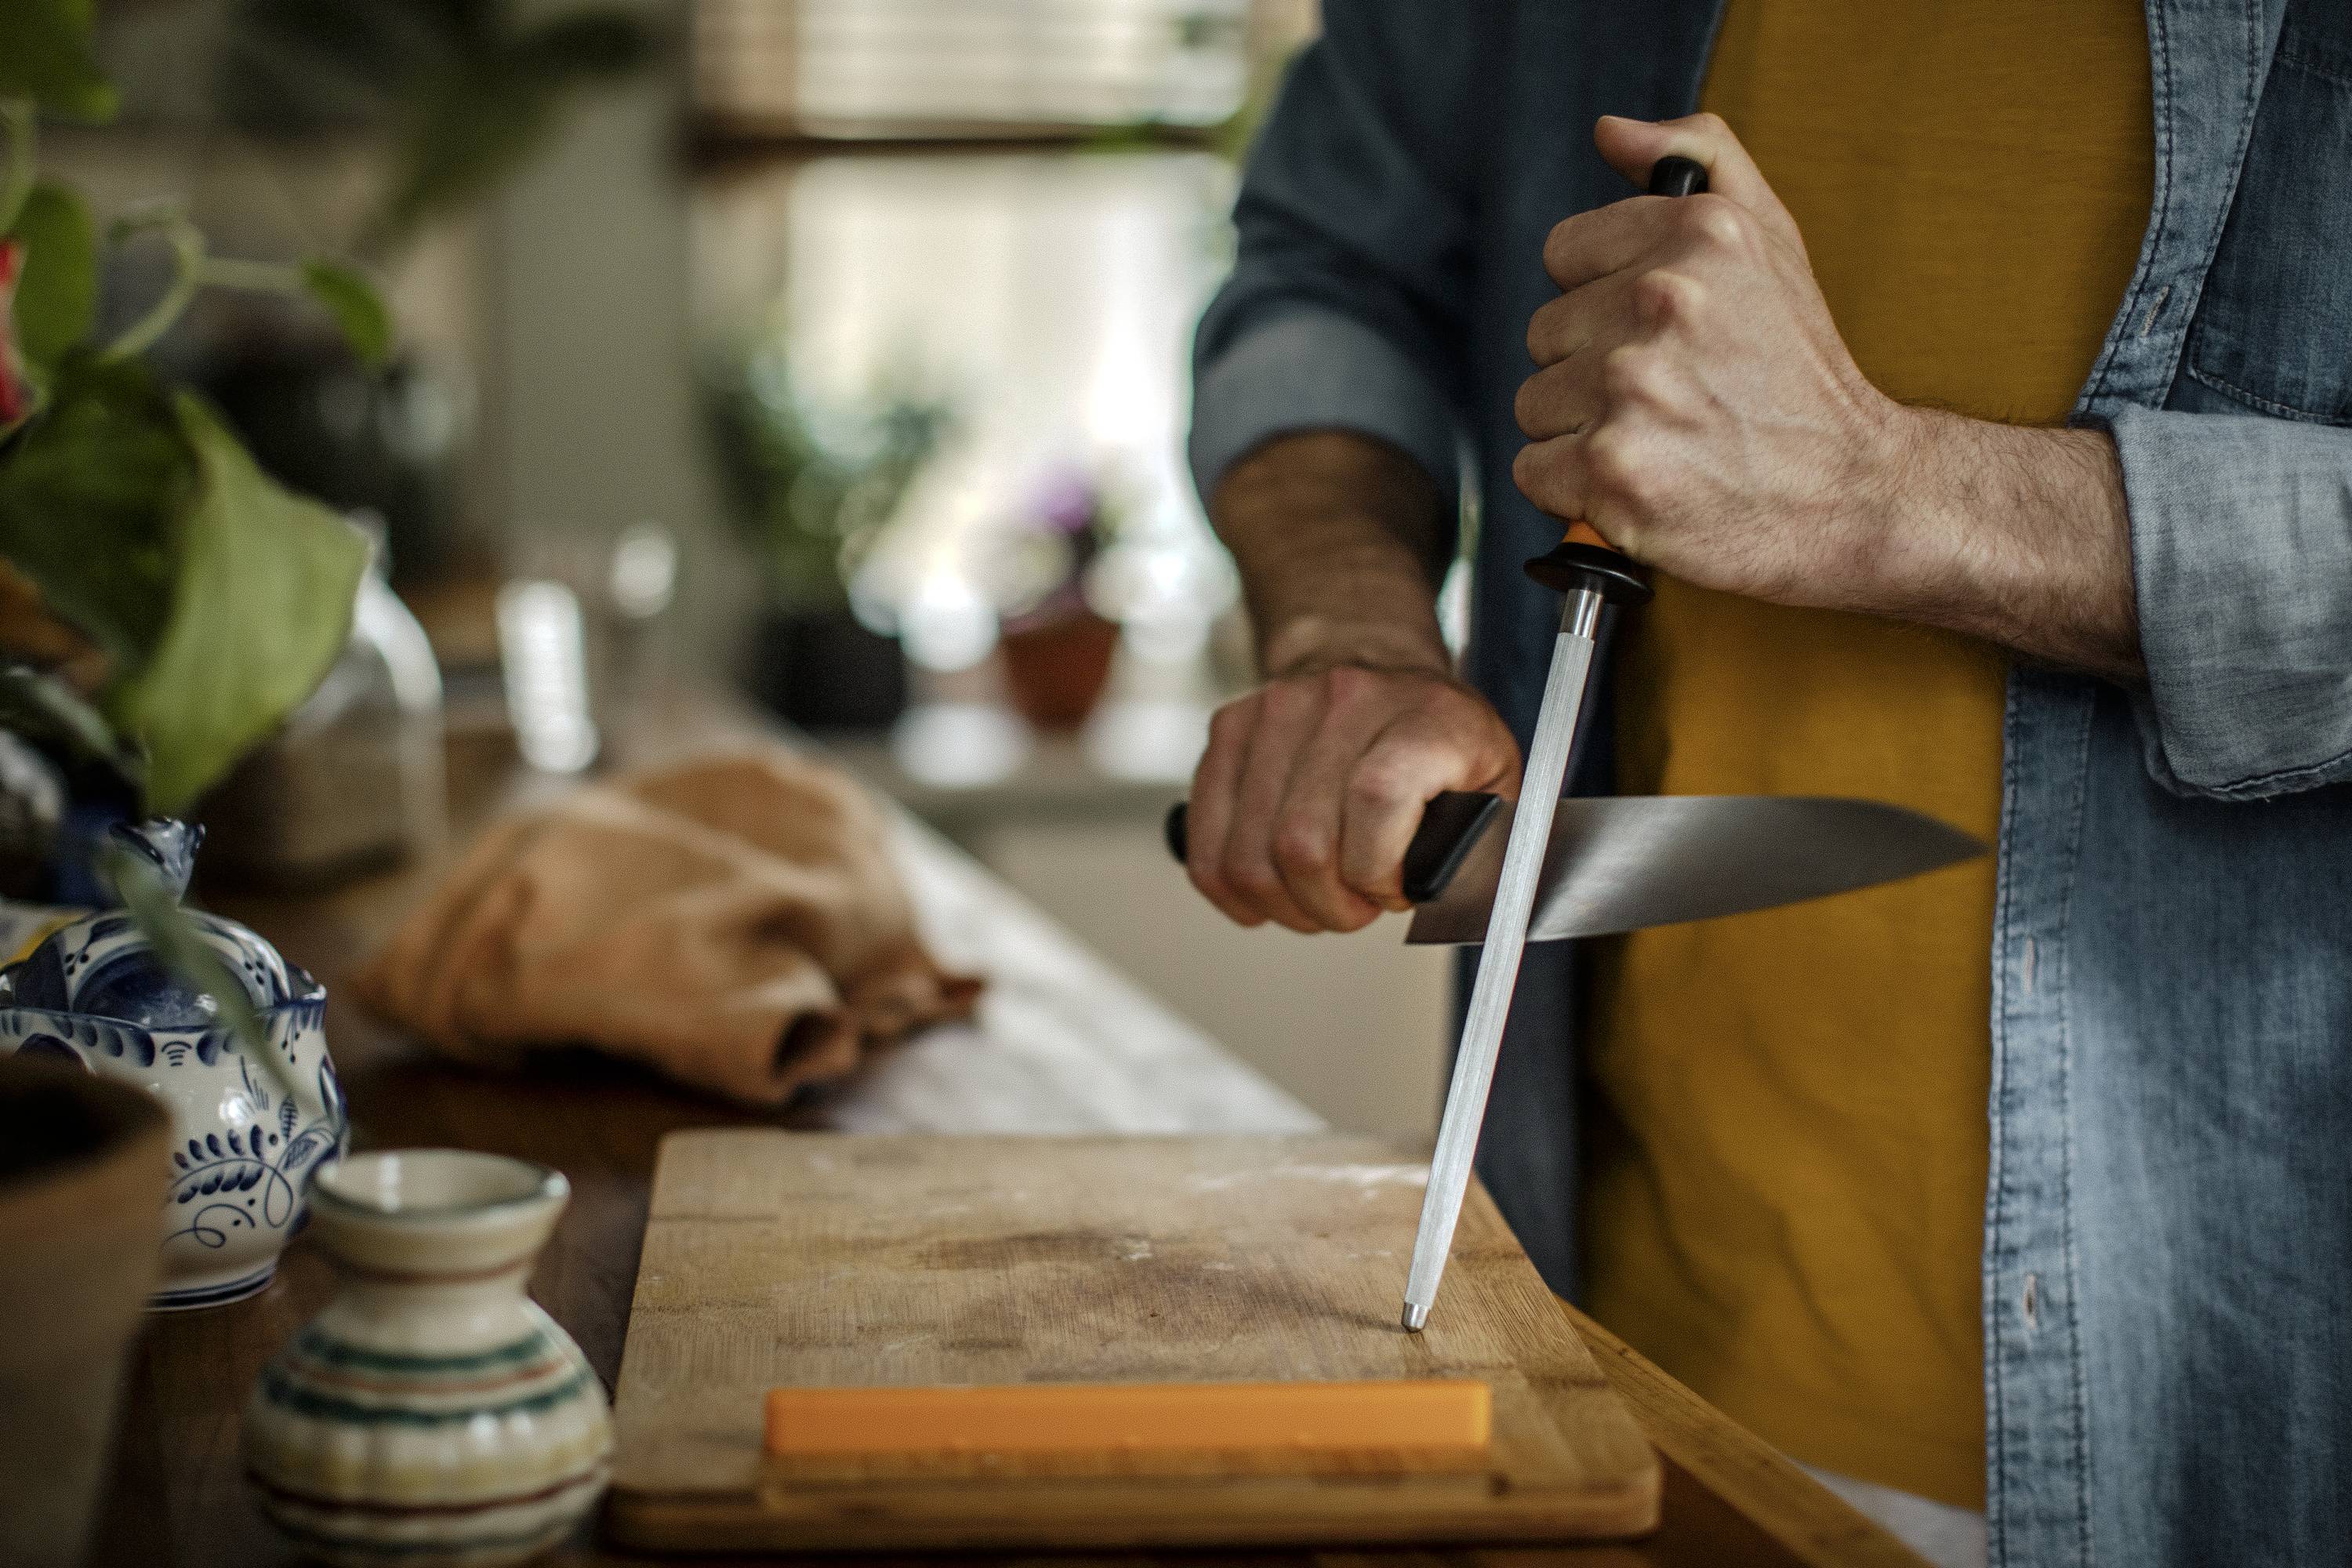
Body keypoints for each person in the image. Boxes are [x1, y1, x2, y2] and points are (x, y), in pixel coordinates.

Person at [1177, 4, 2352, 1566]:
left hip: (2252, 1439)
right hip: (1620, 1385)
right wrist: (1351, 626)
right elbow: (1327, 271)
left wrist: (1896, 493)